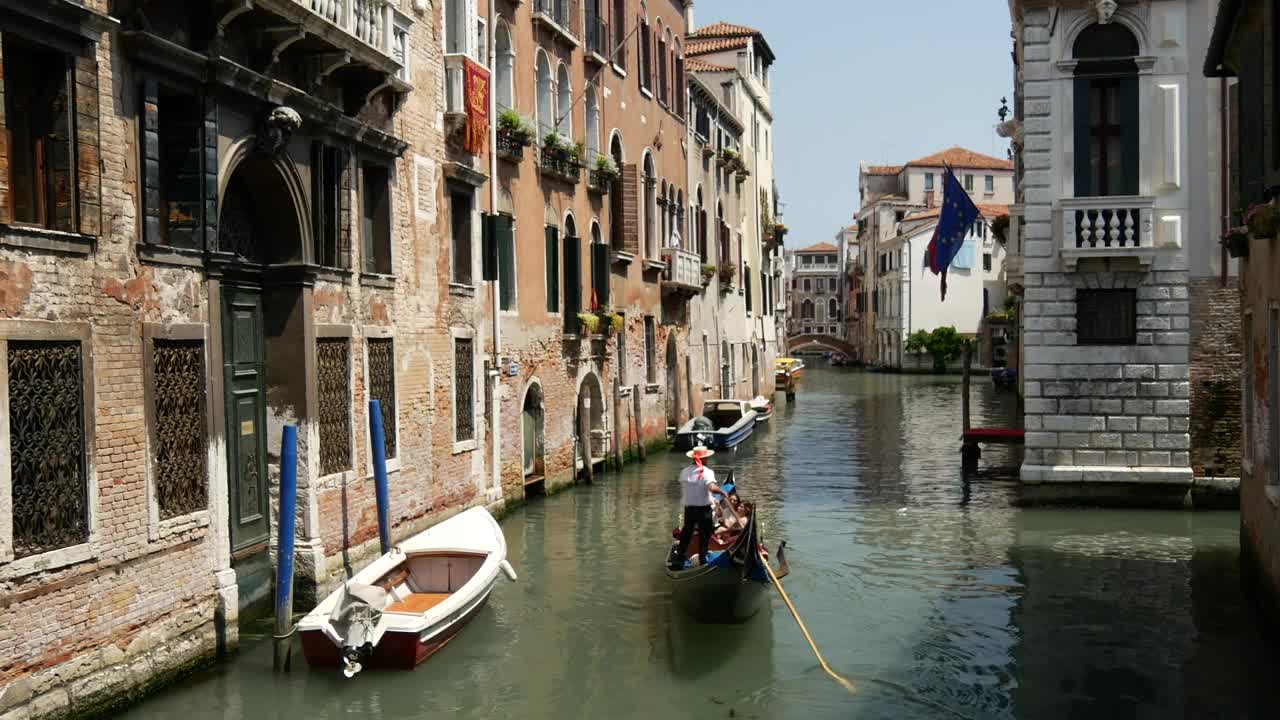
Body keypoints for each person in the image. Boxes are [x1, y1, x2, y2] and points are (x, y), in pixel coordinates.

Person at [671, 445, 727, 569]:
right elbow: (711, 487)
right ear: (705, 458)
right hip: (704, 509)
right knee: (704, 535)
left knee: (687, 533)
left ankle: (679, 559)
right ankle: (702, 560)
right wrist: (723, 492)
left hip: (689, 509)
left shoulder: (684, 471)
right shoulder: (707, 472)